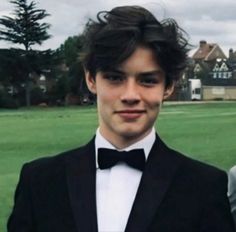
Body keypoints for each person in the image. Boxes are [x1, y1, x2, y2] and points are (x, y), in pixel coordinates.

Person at [8, 5, 235, 232]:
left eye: (147, 80)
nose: (130, 96)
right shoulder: (39, 182)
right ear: (91, 79)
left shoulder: (205, 187)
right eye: (115, 78)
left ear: (168, 86)